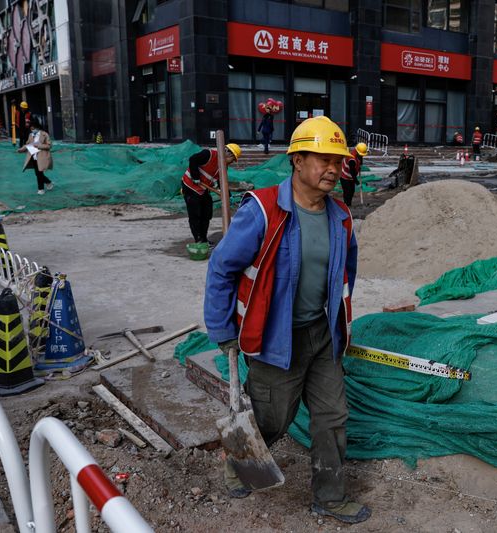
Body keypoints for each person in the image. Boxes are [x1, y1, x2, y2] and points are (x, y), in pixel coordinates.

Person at [204, 115, 370, 525]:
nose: (333, 169)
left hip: (321, 334)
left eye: (337, 160)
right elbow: (222, 268)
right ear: (297, 161)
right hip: (275, 336)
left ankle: (329, 497)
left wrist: (337, 323)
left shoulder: (341, 218)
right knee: (274, 417)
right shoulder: (263, 210)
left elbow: (346, 272)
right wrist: (223, 329)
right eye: (322, 159)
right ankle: (239, 461)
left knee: (332, 417)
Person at [182, 143, 241, 244]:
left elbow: (221, 182)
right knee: (196, 214)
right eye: (233, 159)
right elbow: (193, 159)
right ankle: (199, 240)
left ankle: (204, 239)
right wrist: (195, 177)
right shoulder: (208, 154)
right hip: (190, 186)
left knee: (207, 213)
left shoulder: (223, 167)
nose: (232, 162)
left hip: (203, 189)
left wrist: (228, 195)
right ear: (228, 154)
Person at [18, 118, 54, 195]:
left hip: (41, 157)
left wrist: (39, 145)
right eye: (31, 128)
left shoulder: (44, 134)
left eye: (33, 128)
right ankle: (48, 182)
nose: (32, 129)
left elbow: (49, 145)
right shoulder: (31, 135)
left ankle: (40, 189)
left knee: (39, 173)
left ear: (37, 127)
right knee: (37, 173)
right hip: (33, 157)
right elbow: (27, 144)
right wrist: (21, 149)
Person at [340, 142, 367, 207]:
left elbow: (360, 158)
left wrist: (360, 164)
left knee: (352, 191)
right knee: (347, 192)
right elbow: (352, 172)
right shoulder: (352, 159)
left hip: (351, 176)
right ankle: (347, 205)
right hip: (344, 175)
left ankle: (349, 204)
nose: (362, 156)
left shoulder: (357, 153)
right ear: (357, 151)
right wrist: (357, 182)